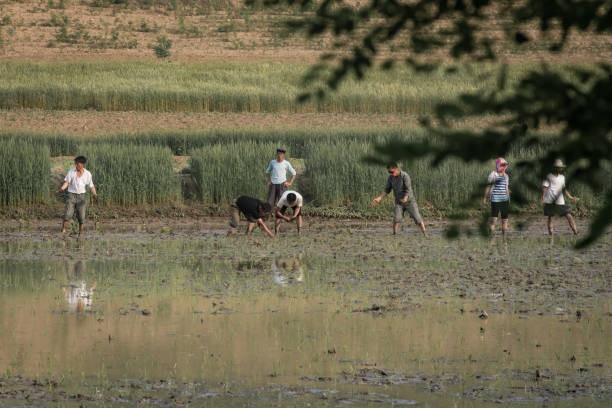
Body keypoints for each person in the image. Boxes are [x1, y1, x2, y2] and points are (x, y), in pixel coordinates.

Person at [371, 163, 426, 236]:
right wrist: (379, 198)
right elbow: (387, 190)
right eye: (389, 172)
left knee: (417, 218)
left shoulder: (405, 176)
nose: (390, 174)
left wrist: (406, 198)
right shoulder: (391, 178)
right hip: (399, 202)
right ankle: (395, 234)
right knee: (396, 219)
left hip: (409, 201)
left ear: (397, 169)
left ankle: (425, 233)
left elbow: (408, 189)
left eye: (391, 172)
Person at [60, 156, 97, 238]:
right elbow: (67, 182)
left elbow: (91, 186)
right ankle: (63, 230)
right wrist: (62, 188)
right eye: (75, 163)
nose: (76, 165)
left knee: (81, 216)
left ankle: (80, 233)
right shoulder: (71, 172)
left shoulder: (87, 174)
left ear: (82, 164)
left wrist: (95, 194)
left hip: (81, 197)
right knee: (67, 214)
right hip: (71, 195)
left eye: (77, 164)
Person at [542, 159, 579, 235]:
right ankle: (551, 235)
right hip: (550, 201)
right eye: (558, 167)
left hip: (560, 201)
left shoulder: (562, 177)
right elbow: (545, 187)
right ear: (555, 168)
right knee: (550, 218)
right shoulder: (548, 176)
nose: (560, 169)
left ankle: (576, 232)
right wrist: (542, 198)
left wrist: (571, 197)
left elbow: (564, 189)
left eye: (561, 168)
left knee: (569, 216)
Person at [483, 157, 510, 236]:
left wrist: (509, 198)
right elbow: (488, 187)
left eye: (505, 165)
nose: (504, 167)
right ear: (498, 165)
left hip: (505, 200)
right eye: (503, 165)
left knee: (505, 220)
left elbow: (506, 188)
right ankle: (491, 237)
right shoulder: (493, 174)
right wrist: (484, 198)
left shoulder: (506, 176)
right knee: (494, 220)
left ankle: (504, 239)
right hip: (495, 200)